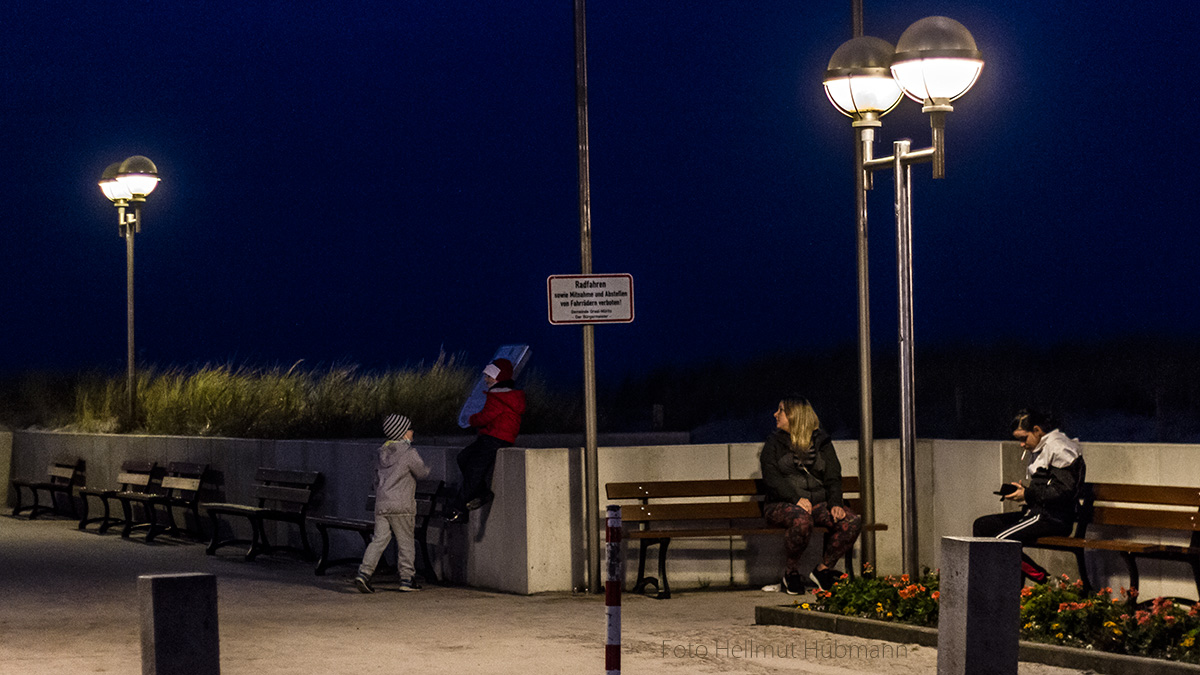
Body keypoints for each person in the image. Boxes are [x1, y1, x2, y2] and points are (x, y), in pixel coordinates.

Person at [759, 395, 863, 595]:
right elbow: (772, 479)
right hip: (781, 504)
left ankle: (823, 571)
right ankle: (791, 574)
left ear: (794, 415)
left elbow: (833, 475)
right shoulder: (773, 443)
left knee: (851, 521)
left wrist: (835, 503)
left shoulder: (821, 442)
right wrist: (795, 499)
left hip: (816, 504)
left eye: (780, 410)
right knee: (802, 520)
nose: (775, 414)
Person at [972, 408, 1085, 584]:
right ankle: (1011, 588)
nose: (1022, 445)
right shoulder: (1044, 447)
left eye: (1023, 438)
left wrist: (1028, 493)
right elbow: (1045, 489)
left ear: (1037, 430)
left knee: (1001, 542)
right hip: (1037, 513)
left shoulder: (1061, 447)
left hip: (1053, 518)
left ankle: (1046, 581)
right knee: (982, 526)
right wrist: (1024, 494)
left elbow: (1063, 492)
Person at [354, 413, 430, 593]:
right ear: (403, 433)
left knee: (378, 540)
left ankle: (364, 573)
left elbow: (375, 479)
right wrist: (429, 468)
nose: (412, 432)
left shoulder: (381, 453)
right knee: (405, 543)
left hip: (382, 505)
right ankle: (406, 579)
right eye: (410, 429)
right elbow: (421, 472)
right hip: (402, 505)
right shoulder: (409, 453)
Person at [446, 358, 526, 524]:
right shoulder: (505, 395)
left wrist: (471, 419)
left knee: (475, 469)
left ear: (498, 378)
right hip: (495, 437)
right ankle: (482, 493)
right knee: (463, 458)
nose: (486, 380)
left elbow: (484, 418)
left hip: (495, 438)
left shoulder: (498, 396)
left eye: (490, 377)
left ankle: (458, 508)